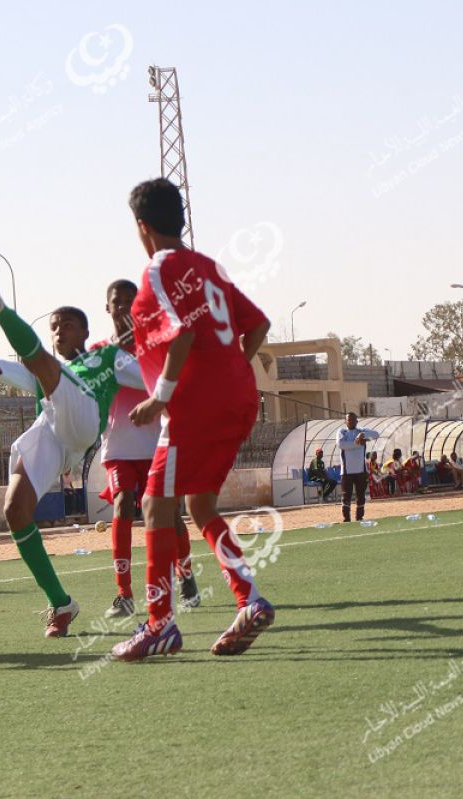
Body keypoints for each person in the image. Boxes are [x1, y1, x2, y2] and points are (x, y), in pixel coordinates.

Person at [0, 260, 146, 637]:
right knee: (15, 511)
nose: (59, 331)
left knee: (48, 371)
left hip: (82, 419)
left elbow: (155, 380)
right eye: (53, 327)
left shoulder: (108, 358)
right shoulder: (42, 369)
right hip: (50, 431)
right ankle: (61, 603)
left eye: (66, 324)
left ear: (85, 330)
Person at [110, 178, 275, 662]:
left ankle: (160, 624)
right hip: (239, 398)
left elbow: (180, 333)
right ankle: (249, 597)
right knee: (199, 505)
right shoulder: (207, 267)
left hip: (194, 406)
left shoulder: (159, 268)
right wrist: (229, 372)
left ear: (142, 227)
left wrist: (161, 397)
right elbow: (258, 324)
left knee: (155, 506)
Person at [94, 279, 200, 618]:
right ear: (107, 307)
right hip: (118, 449)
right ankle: (123, 594)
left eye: (130, 300)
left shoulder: (157, 347)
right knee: (124, 504)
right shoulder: (99, 353)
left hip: (159, 443)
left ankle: (186, 576)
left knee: (169, 515)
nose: (123, 306)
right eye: (117, 301)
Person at [338, 412, 380, 520]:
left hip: (361, 471)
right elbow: (342, 445)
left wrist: (363, 436)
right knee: (346, 496)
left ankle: (359, 517)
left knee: (360, 496)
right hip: (346, 472)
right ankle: (346, 518)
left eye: (353, 420)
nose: (351, 422)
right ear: (345, 422)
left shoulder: (361, 430)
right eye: (349, 420)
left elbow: (376, 434)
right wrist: (357, 443)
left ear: (357, 421)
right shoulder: (342, 431)